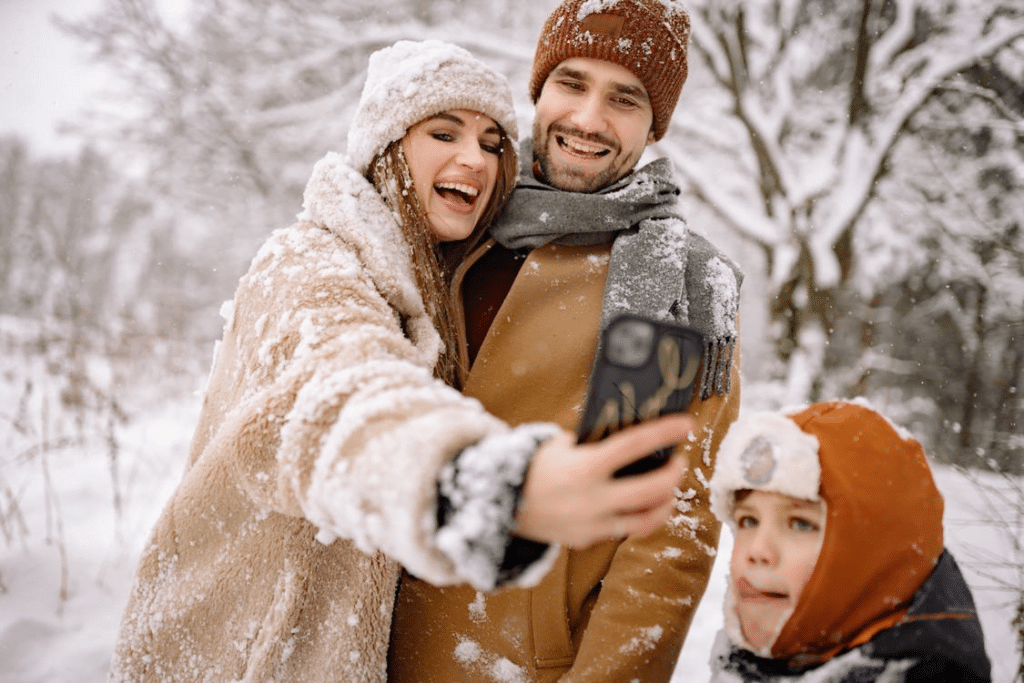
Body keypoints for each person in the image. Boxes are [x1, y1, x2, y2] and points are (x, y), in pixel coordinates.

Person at [108, 39, 695, 683]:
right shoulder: (310, 267)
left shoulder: (445, 272)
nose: (473, 158)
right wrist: (476, 486)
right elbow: (339, 395)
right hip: (239, 653)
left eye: (492, 143)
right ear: (386, 144)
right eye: (443, 132)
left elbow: (671, 535)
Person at [388, 1, 745, 681]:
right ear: (539, 89)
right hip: (364, 632)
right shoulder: (454, 217)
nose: (588, 119)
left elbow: (667, 530)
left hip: (515, 660)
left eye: (625, 98)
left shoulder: (677, 283)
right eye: (572, 83)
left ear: (654, 123)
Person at [707, 399, 992, 681]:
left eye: (801, 524)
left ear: (875, 556)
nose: (757, 550)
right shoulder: (761, 658)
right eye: (749, 520)